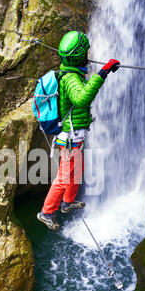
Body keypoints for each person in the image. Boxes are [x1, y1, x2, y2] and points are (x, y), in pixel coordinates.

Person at [37, 31, 120, 231]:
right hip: (69, 138)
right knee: (65, 176)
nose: (88, 54)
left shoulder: (72, 73)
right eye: (86, 51)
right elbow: (82, 98)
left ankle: (67, 202)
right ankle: (46, 212)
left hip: (75, 137)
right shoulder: (71, 78)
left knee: (76, 171)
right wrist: (103, 72)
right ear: (79, 55)